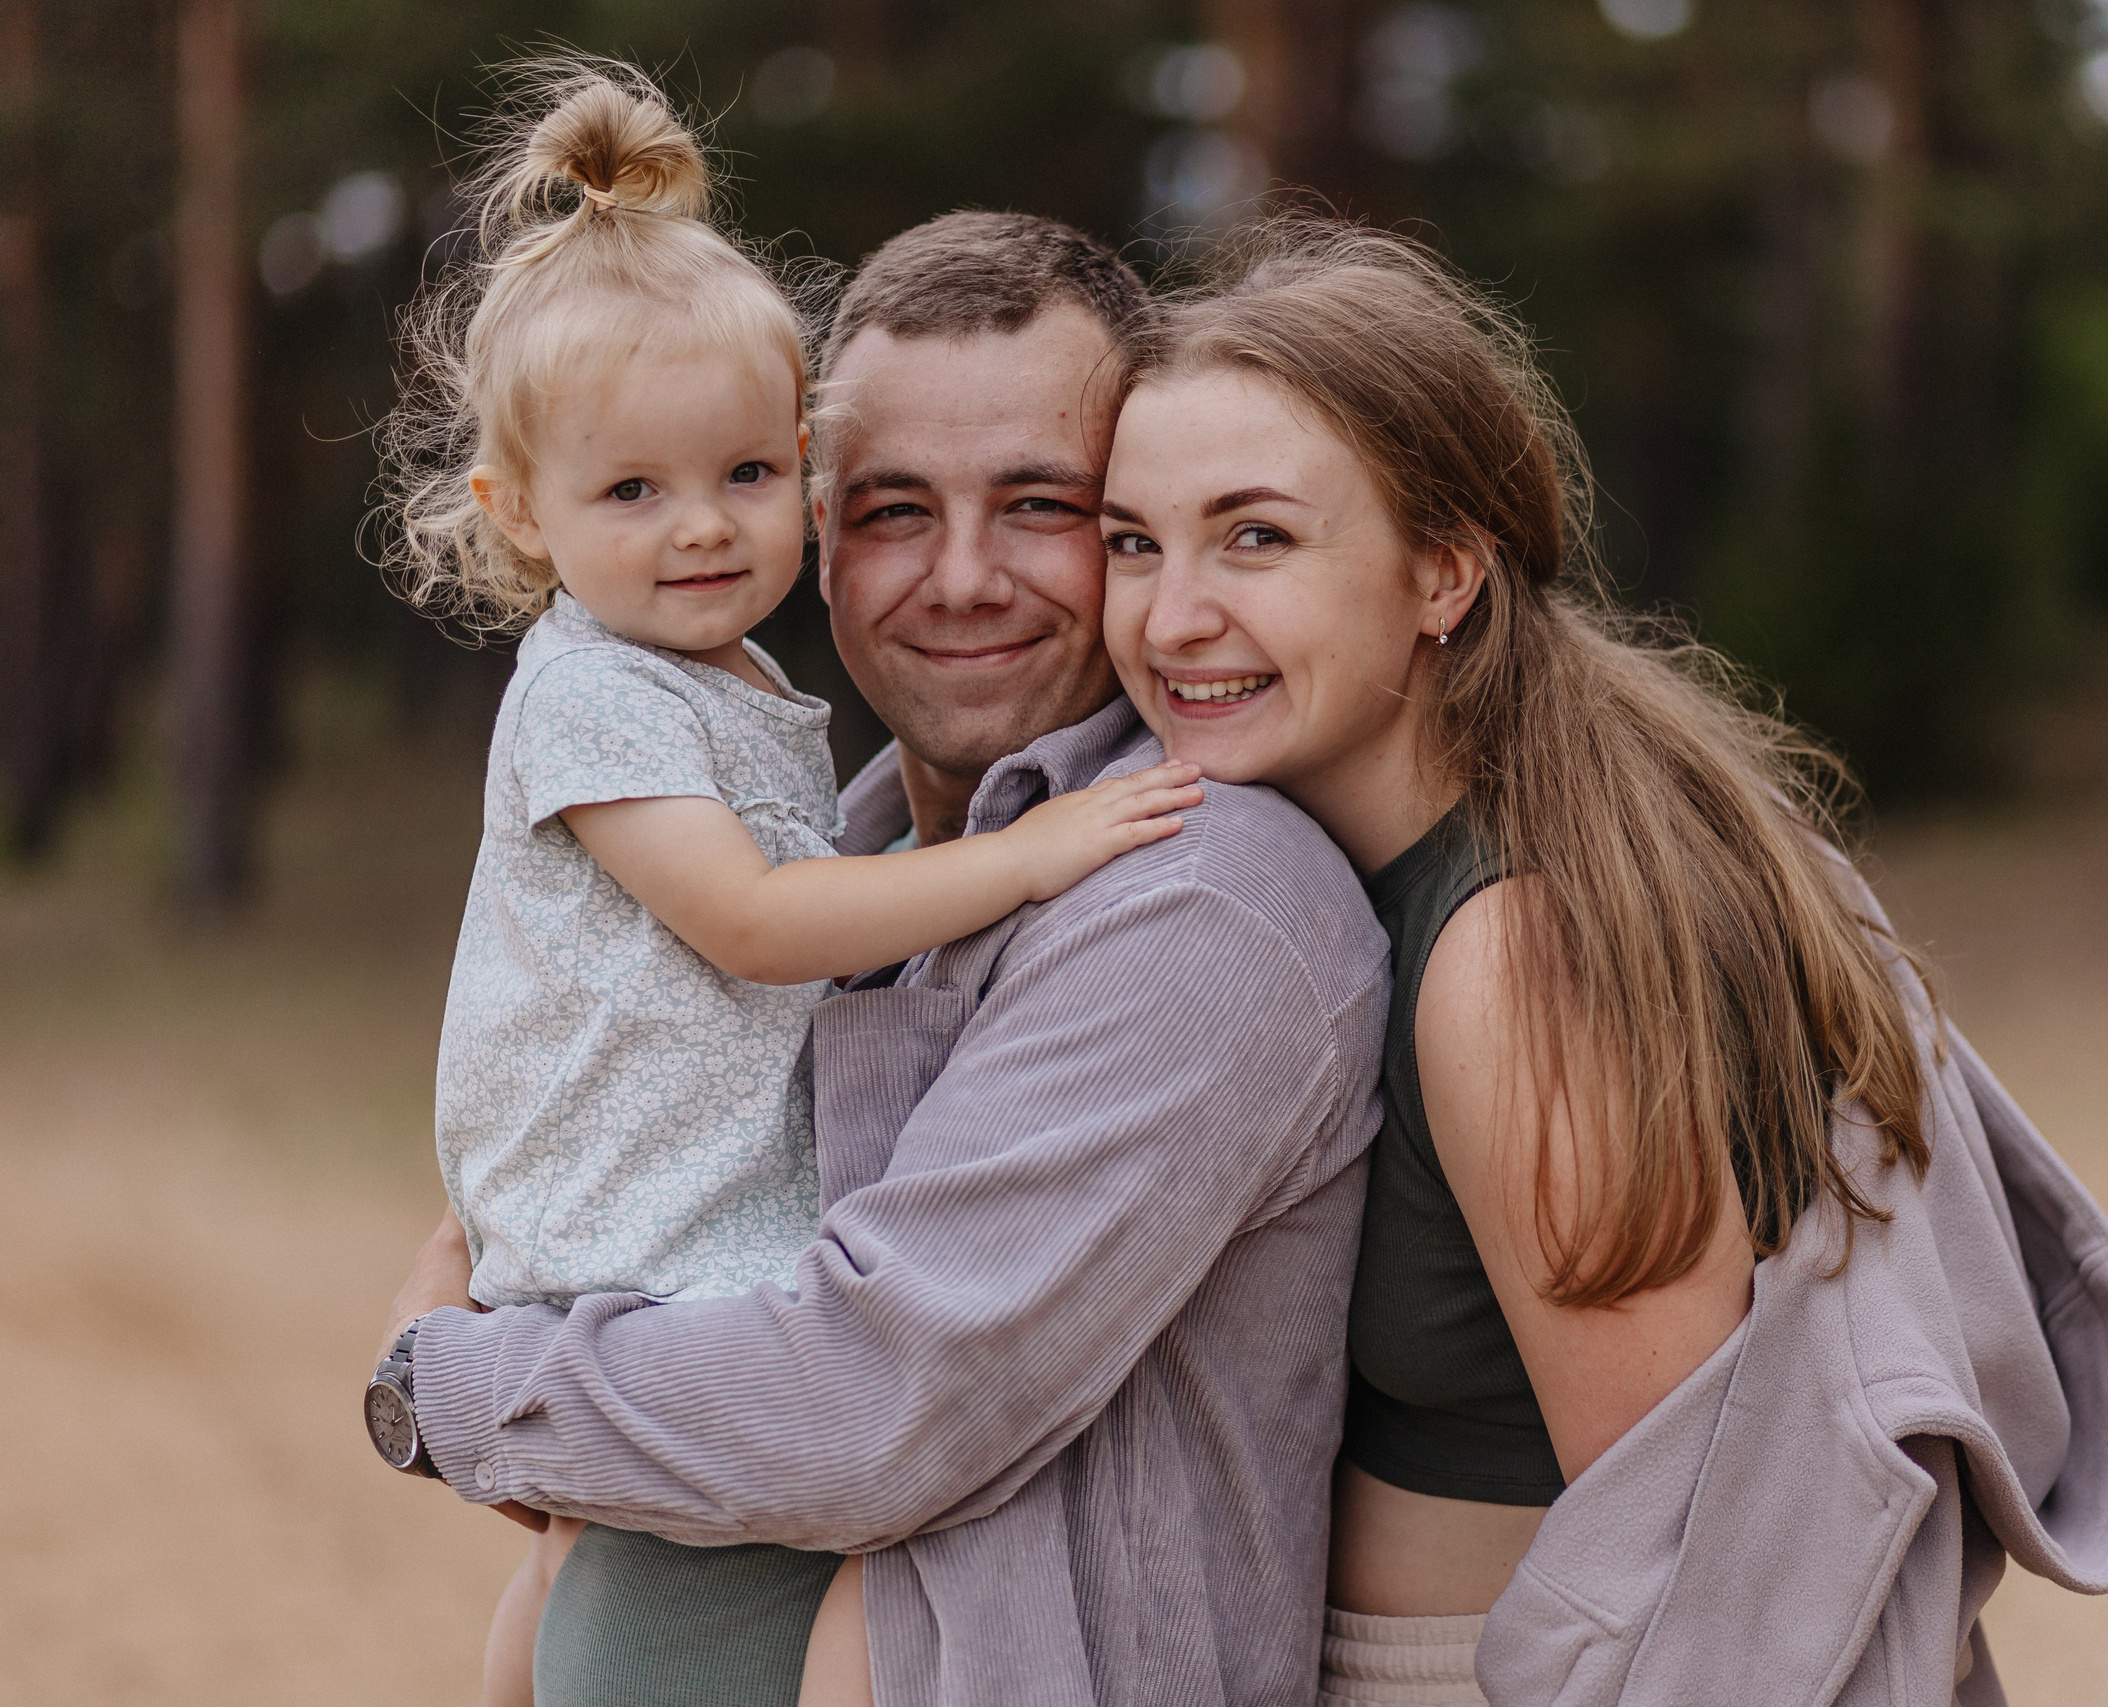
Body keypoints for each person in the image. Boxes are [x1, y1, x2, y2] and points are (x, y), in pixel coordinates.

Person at [1097, 217, 2108, 1706]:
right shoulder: (1395, 857)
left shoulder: (1515, 956)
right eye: (1131, 543)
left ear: (1444, 575)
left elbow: (1706, 1575)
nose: (1170, 614)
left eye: (1256, 536)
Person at [369, 200, 1392, 1707]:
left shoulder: (1187, 891)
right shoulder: (848, 869)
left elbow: (870, 1405)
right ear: (828, 532)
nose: (962, 577)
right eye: (897, 506)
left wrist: (442, 1383)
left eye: (1043, 506)